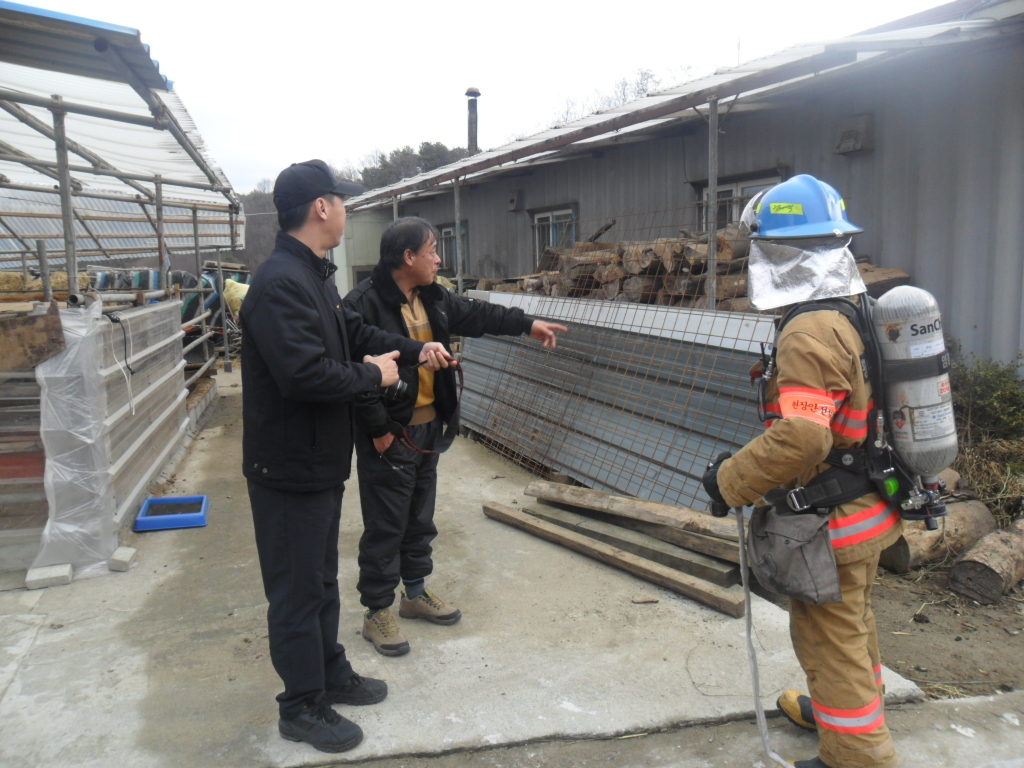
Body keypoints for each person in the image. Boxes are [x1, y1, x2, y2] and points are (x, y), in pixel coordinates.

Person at [241, 162, 453, 753]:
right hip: (288, 469)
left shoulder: (312, 276)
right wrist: (371, 377)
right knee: (296, 591)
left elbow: (355, 334)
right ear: (321, 208)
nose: (346, 210)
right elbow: (303, 375)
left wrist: (413, 351)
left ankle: (329, 673)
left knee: (320, 582)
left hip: (317, 464)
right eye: (341, 201)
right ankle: (300, 705)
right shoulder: (280, 283)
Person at [702, 175, 902, 768]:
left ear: (780, 251)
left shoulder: (810, 330)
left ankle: (857, 753)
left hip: (833, 521)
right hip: (869, 504)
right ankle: (848, 713)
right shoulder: (854, 309)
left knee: (828, 638)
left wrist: (729, 480)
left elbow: (803, 436)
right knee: (853, 625)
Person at [343, 217, 567, 656]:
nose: (439, 259)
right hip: (391, 433)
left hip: (428, 428)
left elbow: (480, 314)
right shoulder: (362, 304)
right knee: (385, 525)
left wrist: (528, 325)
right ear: (408, 257)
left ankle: (414, 594)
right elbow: (357, 373)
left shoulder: (433, 297)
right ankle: (376, 612)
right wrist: (379, 430)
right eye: (431, 250)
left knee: (419, 518)